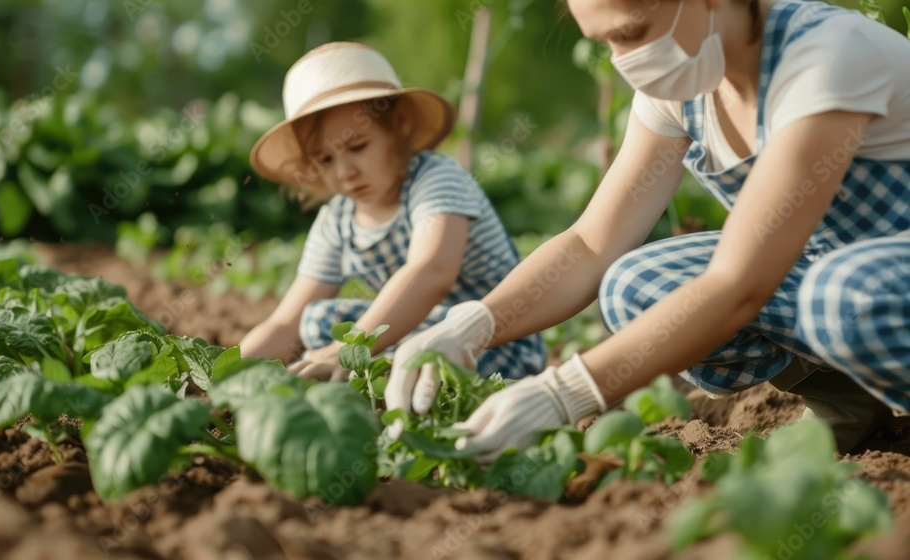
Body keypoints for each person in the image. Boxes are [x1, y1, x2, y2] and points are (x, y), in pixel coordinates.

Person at [385, 0, 910, 462]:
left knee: (842, 295)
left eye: (631, 33)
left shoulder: (826, 56)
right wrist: (474, 325)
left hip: (874, 270)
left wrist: (565, 392)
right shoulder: (688, 82)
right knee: (635, 284)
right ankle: (848, 400)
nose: (623, 61)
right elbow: (593, 243)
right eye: (606, 42)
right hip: (830, 260)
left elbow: (739, 284)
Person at [239, 42, 546, 382]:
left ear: (398, 126)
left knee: (349, 343)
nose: (345, 172)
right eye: (325, 159)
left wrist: (349, 351)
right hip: (424, 338)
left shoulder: (435, 178)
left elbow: (432, 270)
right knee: (316, 322)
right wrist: (225, 375)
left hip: (496, 342)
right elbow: (286, 324)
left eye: (357, 147)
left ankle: (386, 379)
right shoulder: (337, 221)